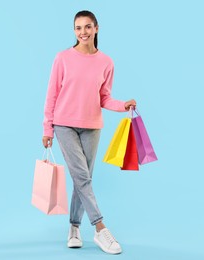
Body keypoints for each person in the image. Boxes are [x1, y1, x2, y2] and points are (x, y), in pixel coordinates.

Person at [42, 10, 136, 255]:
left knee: (82, 180)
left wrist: (122, 105)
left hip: (92, 126)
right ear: (74, 31)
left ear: (96, 28)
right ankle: (100, 228)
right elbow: (51, 94)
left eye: (87, 27)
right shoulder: (62, 58)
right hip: (64, 125)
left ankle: (74, 228)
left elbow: (104, 97)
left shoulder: (106, 62)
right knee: (82, 178)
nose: (82, 32)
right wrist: (47, 127)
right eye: (77, 27)